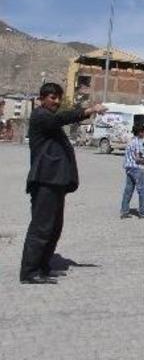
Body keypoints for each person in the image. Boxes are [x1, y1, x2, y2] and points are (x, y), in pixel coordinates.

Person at [20, 83, 106, 285]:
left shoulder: (50, 120)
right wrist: (89, 110)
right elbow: (61, 118)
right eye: (52, 97)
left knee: (54, 227)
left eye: (59, 97)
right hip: (45, 181)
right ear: (42, 99)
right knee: (41, 228)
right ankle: (29, 271)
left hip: (56, 182)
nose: (56, 101)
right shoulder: (41, 116)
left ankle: (43, 266)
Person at [120, 123, 144, 219]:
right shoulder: (138, 142)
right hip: (137, 168)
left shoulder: (131, 141)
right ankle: (143, 212)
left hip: (129, 168)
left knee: (128, 190)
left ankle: (124, 211)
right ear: (140, 132)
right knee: (142, 190)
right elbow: (138, 158)